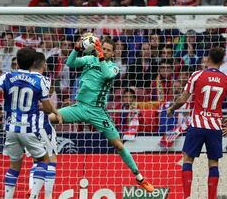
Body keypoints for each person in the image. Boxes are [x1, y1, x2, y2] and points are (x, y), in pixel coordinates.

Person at [48, 37, 154, 192]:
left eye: (108, 50)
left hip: (98, 112)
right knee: (48, 119)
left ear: (113, 53)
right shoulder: (89, 59)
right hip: (80, 107)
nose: (104, 51)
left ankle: (139, 177)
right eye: (102, 48)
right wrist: (77, 48)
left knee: (118, 144)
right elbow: (70, 63)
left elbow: (108, 76)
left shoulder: (113, 67)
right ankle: (40, 162)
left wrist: (101, 56)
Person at [0, 47, 62, 199]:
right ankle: (34, 196)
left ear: (17, 61)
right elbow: (47, 107)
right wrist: (52, 110)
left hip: (10, 129)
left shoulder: (6, 76)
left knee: (14, 166)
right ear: (33, 63)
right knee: (44, 160)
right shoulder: (38, 80)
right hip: (29, 129)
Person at [167, 47, 227, 199]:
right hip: (215, 126)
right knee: (213, 163)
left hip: (198, 124)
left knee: (188, 159)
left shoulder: (197, 75)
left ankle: (187, 196)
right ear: (222, 61)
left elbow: (183, 98)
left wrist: (172, 108)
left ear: (208, 58)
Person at [27, 52, 59, 199]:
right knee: (51, 158)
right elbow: (46, 105)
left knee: (36, 160)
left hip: (25, 125)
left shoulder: (18, 79)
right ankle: (46, 196)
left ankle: (31, 189)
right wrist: (55, 112)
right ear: (43, 64)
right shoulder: (44, 80)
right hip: (41, 123)